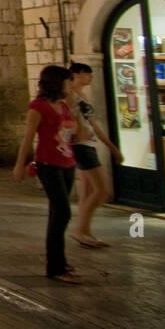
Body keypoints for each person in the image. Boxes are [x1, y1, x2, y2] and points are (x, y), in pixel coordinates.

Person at [12, 65, 80, 283]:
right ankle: (55, 266)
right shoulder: (37, 107)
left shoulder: (63, 105)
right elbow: (28, 137)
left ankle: (59, 260)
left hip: (67, 162)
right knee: (63, 213)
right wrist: (20, 165)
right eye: (67, 81)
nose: (70, 84)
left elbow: (75, 133)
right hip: (48, 164)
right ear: (56, 82)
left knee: (57, 213)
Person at [68, 62, 122, 248]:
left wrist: (111, 147)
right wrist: (78, 129)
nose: (90, 77)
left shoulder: (83, 96)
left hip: (88, 144)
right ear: (78, 74)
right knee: (102, 190)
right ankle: (80, 230)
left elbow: (94, 125)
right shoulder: (70, 95)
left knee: (88, 191)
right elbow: (70, 119)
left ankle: (85, 231)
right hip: (81, 145)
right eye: (87, 74)